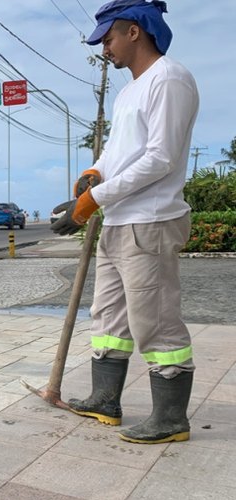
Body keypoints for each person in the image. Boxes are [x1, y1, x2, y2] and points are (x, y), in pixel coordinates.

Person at [50, 0, 198, 444]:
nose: (104, 49)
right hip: (119, 221)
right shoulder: (130, 90)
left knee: (154, 319)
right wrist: (95, 173)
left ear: (134, 31)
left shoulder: (169, 79)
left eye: (108, 38)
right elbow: (120, 153)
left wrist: (93, 199)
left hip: (150, 220)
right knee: (109, 315)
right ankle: (105, 400)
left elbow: (160, 158)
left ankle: (171, 419)